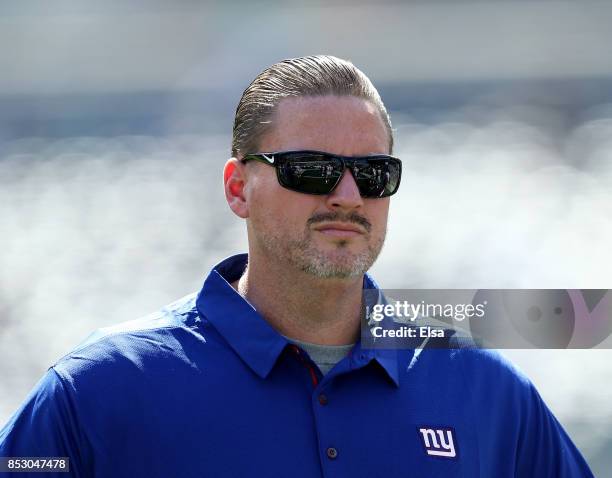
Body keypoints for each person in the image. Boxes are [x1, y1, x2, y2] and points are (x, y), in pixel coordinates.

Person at [0, 55, 593, 477]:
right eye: (310, 168)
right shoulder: (99, 390)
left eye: (372, 174)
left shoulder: (485, 391)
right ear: (238, 189)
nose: (346, 195)